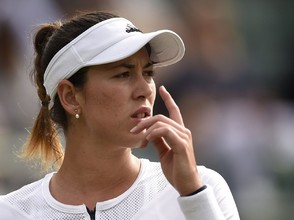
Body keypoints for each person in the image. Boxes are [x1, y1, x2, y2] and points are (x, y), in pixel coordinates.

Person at [0, 11, 240, 219]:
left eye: (148, 73)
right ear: (70, 97)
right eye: (123, 75)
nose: (145, 89)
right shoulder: (10, 212)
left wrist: (192, 195)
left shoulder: (204, 186)